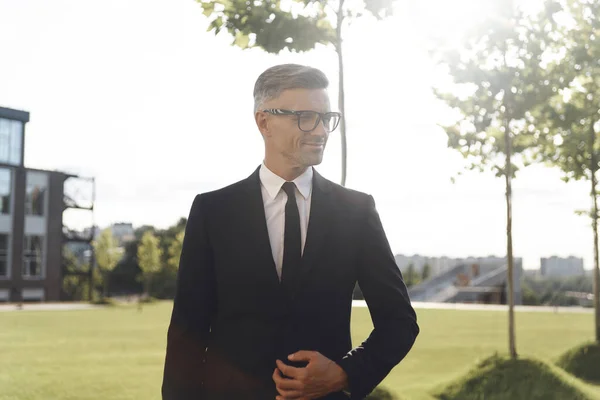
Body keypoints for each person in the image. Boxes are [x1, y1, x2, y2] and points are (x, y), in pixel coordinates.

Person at [161, 64, 419, 400]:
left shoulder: (356, 212)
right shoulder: (213, 211)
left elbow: (399, 322)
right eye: (306, 117)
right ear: (264, 121)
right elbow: (187, 333)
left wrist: (344, 373)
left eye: (327, 118)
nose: (321, 130)